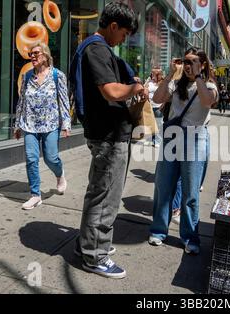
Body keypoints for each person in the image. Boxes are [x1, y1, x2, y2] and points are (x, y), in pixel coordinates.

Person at [71, 2, 146, 279]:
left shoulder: (94, 48)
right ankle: (95, 256)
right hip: (108, 136)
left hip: (105, 134)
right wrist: (135, 88)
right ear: (113, 26)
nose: (124, 39)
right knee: (106, 198)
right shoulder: (96, 48)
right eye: (124, 33)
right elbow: (111, 90)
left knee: (97, 193)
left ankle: (86, 244)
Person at [149, 47, 218, 254]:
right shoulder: (176, 84)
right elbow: (158, 99)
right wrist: (171, 73)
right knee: (163, 186)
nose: (187, 65)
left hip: (196, 139)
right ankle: (159, 230)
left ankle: (189, 237)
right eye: (185, 61)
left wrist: (197, 76)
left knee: (190, 192)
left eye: (192, 61)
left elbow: (207, 101)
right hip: (172, 139)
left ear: (203, 64)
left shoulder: (209, 85)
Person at [14, 43, 71, 210]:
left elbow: (64, 100)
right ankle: (35, 195)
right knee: (31, 159)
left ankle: (60, 175)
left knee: (50, 158)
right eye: (31, 54)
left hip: (50, 123)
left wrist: (66, 123)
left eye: (36, 53)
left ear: (45, 55)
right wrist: (17, 125)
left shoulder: (57, 75)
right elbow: (22, 101)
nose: (32, 56)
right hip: (29, 124)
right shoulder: (26, 76)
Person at [145, 67, 164, 147]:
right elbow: (144, 88)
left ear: (158, 75)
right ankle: (150, 139)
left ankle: (157, 140)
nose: (152, 75)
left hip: (158, 106)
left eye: (154, 74)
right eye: (151, 73)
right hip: (150, 106)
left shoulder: (163, 83)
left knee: (158, 124)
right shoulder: (149, 82)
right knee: (150, 124)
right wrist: (148, 80)